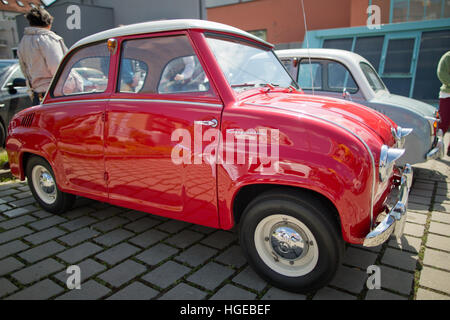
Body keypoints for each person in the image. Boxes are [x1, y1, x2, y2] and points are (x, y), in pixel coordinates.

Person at [18, 7, 68, 105]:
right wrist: (75, 86)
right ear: (49, 24)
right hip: (54, 94)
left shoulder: (23, 41)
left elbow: (24, 69)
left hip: (37, 94)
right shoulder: (48, 38)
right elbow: (58, 69)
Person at [437, 51, 450, 156]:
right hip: (447, 94)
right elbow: (441, 73)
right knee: (443, 122)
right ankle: (437, 145)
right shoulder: (447, 57)